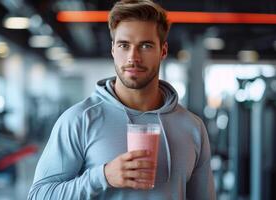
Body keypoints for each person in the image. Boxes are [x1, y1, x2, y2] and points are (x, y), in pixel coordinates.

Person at [27, 0, 216, 199]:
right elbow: (39, 195)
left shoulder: (192, 127)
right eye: (124, 45)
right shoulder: (78, 120)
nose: (133, 57)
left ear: (163, 51)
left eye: (145, 45)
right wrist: (102, 176)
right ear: (113, 50)